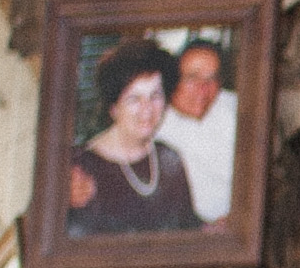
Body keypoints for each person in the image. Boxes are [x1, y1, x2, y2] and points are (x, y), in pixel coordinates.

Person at [60, 41, 199, 239]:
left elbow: (189, 232)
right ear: (114, 106)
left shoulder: (170, 159)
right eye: (134, 98)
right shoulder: (78, 168)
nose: (147, 108)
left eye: (155, 95)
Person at [165, 34, 241, 224]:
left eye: (212, 78)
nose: (203, 89)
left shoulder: (235, 107)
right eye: (192, 77)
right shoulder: (152, 121)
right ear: (173, 79)